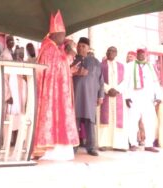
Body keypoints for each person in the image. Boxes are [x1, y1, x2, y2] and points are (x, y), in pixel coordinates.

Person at [32, 10, 79, 160]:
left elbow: (60, 68)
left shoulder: (53, 48)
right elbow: (56, 68)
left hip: (57, 92)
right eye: (63, 34)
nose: (64, 38)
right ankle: (49, 151)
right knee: (53, 117)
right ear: (54, 34)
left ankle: (58, 149)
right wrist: (70, 55)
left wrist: (69, 66)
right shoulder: (49, 49)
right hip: (51, 94)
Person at [124, 48, 161, 152]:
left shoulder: (151, 66)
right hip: (134, 97)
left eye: (143, 53)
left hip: (147, 98)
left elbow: (155, 82)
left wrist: (158, 96)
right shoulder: (130, 66)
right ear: (137, 55)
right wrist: (126, 96)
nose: (141, 55)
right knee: (132, 120)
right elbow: (126, 81)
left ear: (146, 55)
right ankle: (133, 143)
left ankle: (149, 144)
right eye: (139, 53)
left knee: (149, 121)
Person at [72, 37, 104, 156]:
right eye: (79, 46)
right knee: (74, 120)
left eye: (83, 46)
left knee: (90, 122)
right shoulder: (72, 59)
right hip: (75, 95)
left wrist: (100, 96)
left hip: (90, 97)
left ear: (88, 48)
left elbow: (101, 80)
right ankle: (73, 146)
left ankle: (91, 147)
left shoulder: (95, 62)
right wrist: (75, 72)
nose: (80, 48)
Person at [97, 46, 128, 151]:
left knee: (117, 120)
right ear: (106, 52)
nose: (111, 52)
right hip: (106, 95)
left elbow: (125, 81)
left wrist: (117, 90)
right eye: (109, 50)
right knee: (105, 119)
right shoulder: (101, 65)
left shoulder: (121, 66)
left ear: (116, 53)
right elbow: (98, 79)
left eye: (113, 51)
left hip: (117, 95)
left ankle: (119, 144)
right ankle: (103, 144)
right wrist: (108, 89)